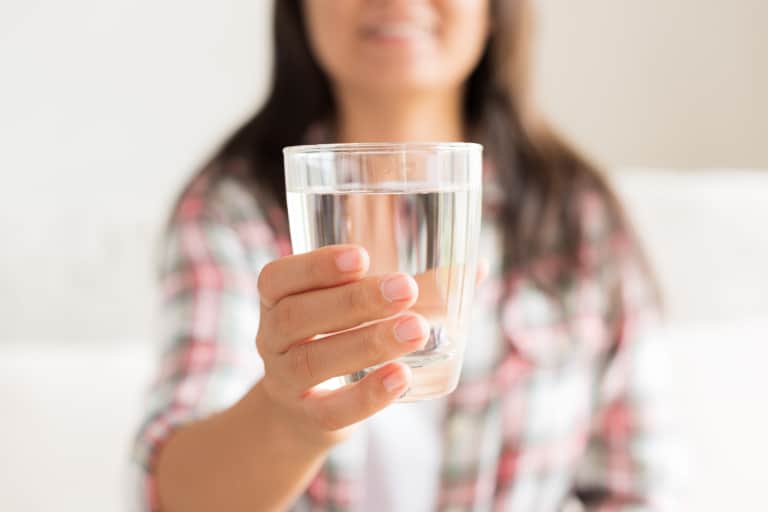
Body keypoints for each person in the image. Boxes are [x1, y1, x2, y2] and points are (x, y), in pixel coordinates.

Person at [132, 1, 673, 510]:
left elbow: (639, 487)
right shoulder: (232, 209)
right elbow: (173, 495)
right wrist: (291, 418)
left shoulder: (575, 215)